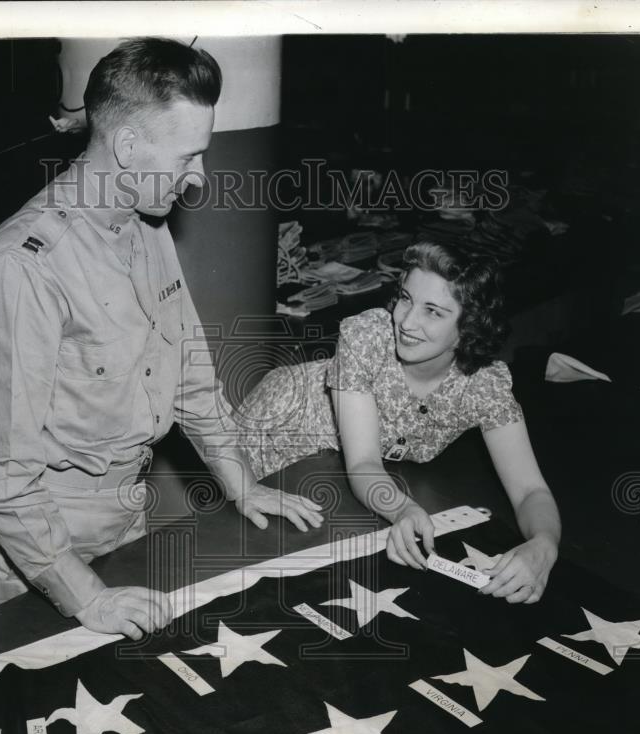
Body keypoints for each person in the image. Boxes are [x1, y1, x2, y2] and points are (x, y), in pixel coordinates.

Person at [0, 37, 323, 638]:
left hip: (124, 515)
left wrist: (242, 482)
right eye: (187, 157)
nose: (198, 178)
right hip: (35, 554)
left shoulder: (144, 224)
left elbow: (191, 377)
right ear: (127, 146)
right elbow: (1, 476)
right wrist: (87, 597)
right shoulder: (26, 266)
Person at [237, 241, 560, 603]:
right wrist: (403, 509)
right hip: (280, 433)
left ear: (469, 327)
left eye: (433, 311)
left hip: (334, 472)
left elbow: (531, 490)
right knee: (256, 578)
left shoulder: (484, 384)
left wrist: (544, 546)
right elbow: (363, 463)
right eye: (405, 298)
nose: (406, 321)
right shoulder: (368, 338)